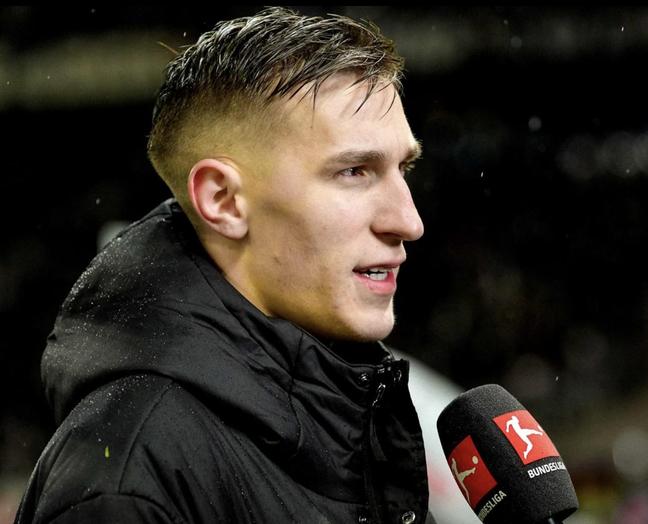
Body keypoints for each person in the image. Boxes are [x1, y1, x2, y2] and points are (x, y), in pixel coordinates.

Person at [15, 7, 432, 524]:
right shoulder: (131, 477)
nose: (408, 221)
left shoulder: (350, 421)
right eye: (354, 171)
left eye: (404, 168)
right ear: (224, 201)